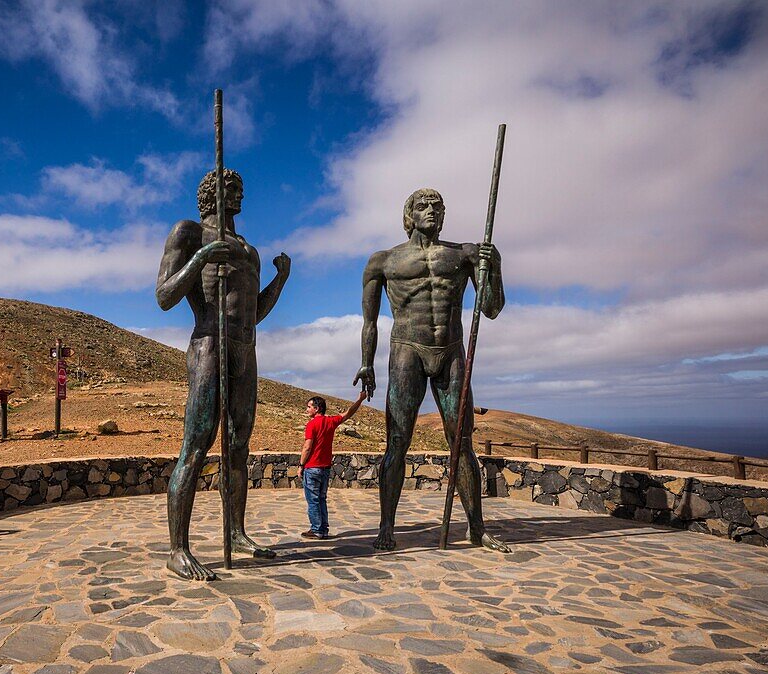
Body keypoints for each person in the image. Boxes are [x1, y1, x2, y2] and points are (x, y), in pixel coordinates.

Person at [354, 187, 511, 553]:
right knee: (397, 442)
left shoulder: (464, 255)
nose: (432, 211)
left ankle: (477, 529)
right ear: (408, 214)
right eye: (423, 206)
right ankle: (386, 526)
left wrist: (496, 267)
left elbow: (490, 308)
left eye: (437, 207)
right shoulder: (383, 261)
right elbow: (369, 322)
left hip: (451, 352)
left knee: (462, 442)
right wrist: (366, 362)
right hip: (406, 350)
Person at [155, 168, 290, 580]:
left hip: (245, 349)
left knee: (238, 447)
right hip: (208, 345)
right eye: (230, 188)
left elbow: (254, 314)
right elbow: (164, 296)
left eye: (241, 188)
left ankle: (235, 532)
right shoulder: (189, 233)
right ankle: (178, 549)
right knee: (195, 446)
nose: (238, 194)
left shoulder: (249, 252)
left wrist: (280, 280)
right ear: (209, 193)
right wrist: (200, 259)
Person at [300, 391, 367, 539]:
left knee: (313, 500)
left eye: (309, 406)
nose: (307, 409)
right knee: (322, 499)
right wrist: (360, 399)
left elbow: (307, 447)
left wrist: (301, 465)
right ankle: (323, 529)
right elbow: (348, 413)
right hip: (325, 468)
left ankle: (316, 529)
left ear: (317, 409)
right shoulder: (331, 422)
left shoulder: (311, 425)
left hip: (312, 467)